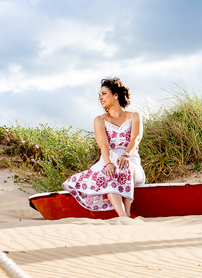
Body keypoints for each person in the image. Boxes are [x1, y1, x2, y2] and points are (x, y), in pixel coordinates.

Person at [62, 77, 145, 218]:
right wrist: (107, 163)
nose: (100, 98)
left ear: (116, 95)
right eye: (99, 95)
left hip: (131, 161)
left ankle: (127, 212)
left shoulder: (134, 116)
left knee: (125, 166)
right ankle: (123, 216)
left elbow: (135, 138)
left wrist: (126, 155)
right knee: (110, 173)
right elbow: (103, 144)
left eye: (104, 93)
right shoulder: (99, 120)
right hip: (107, 161)